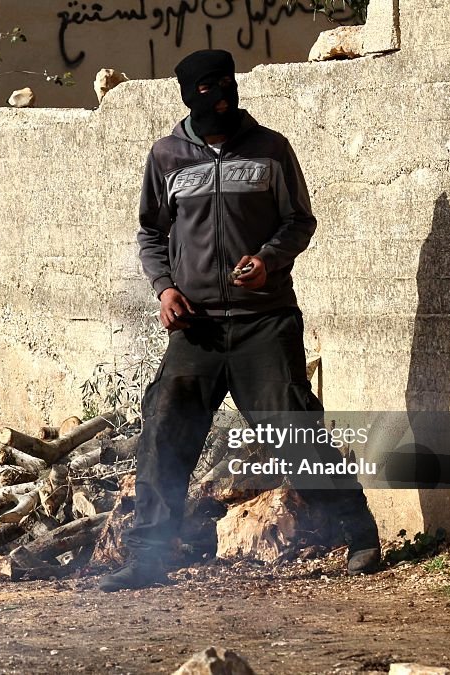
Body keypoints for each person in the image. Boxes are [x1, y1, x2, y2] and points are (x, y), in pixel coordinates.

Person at [99, 50, 381, 592]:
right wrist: (165, 290)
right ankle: (149, 556)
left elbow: (300, 221)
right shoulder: (166, 157)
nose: (221, 102)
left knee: (294, 428)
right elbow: (151, 234)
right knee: (164, 427)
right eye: (208, 94)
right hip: (195, 329)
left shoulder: (271, 149)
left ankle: (360, 534)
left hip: (264, 322)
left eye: (227, 91)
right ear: (189, 98)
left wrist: (269, 259)